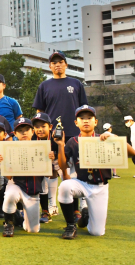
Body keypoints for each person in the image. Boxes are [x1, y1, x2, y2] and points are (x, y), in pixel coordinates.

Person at [32, 51, 88, 216]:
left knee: (73, 171)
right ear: (50, 66)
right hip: (51, 135)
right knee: (51, 170)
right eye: (54, 62)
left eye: (60, 62)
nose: (57, 65)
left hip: (73, 134)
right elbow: (40, 111)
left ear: (66, 64)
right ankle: (50, 205)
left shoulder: (76, 84)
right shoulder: (44, 85)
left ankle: (78, 207)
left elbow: (83, 109)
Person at [56, 105, 114, 239]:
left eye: (89, 118)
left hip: (100, 187)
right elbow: (63, 165)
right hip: (81, 183)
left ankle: (84, 218)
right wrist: (60, 145)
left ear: (96, 121)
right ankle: (71, 225)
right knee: (65, 186)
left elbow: (132, 152)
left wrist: (113, 136)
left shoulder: (104, 139)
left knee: (97, 232)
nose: (86, 121)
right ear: (76, 123)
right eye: (82, 118)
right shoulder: (72, 141)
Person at [1, 118, 55, 237]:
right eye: (20, 130)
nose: (24, 133)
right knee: (10, 195)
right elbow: (8, 176)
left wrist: (49, 160)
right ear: (15, 134)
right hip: (16, 185)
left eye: (27, 130)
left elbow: (50, 175)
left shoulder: (42, 148)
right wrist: (2, 163)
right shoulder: (10, 149)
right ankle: (8, 224)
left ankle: (18, 218)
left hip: (33, 191)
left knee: (33, 230)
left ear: (32, 131)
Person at [31, 112, 61, 224]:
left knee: (69, 180)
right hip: (41, 162)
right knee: (42, 181)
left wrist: (56, 156)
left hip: (58, 161)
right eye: (37, 127)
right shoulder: (32, 138)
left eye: (43, 126)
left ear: (50, 126)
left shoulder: (56, 136)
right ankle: (45, 210)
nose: (40, 129)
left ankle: (76, 210)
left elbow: (64, 155)